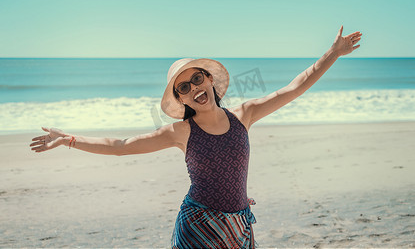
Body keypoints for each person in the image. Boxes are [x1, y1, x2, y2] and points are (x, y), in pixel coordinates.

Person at [30, 26, 362, 248]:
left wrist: (332, 53)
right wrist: (70, 139)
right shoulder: (180, 131)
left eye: (197, 79)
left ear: (210, 81)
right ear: (181, 99)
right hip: (198, 226)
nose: (194, 89)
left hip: (240, 225)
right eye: (184, 88)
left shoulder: (244, 115)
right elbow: (121, 147)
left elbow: (295, 87)